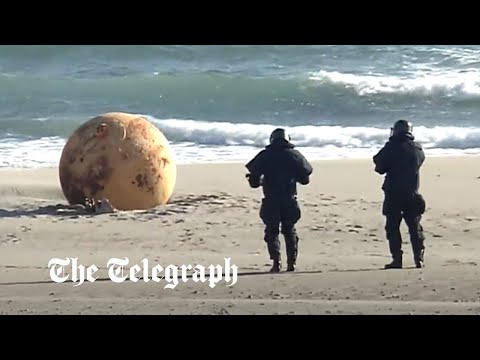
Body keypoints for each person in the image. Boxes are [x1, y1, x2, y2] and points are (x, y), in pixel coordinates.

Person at [245, 128, 313, 273]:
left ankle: (276, 262)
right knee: (289, 231)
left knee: (272, 231)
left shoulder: (264, 155)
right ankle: (291, 263)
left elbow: (254, 182)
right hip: (290, 199)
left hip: (271, 200)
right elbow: (305, 179)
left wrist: (260, 180)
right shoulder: (295, 155)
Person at [373, 120, 427, 269]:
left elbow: (379, 167)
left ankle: (397, 259)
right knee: (414, 227)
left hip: (393, 194)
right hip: (412, 193)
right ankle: (419, 258)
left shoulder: (391, 147)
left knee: (392, 227)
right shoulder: (417, 148)